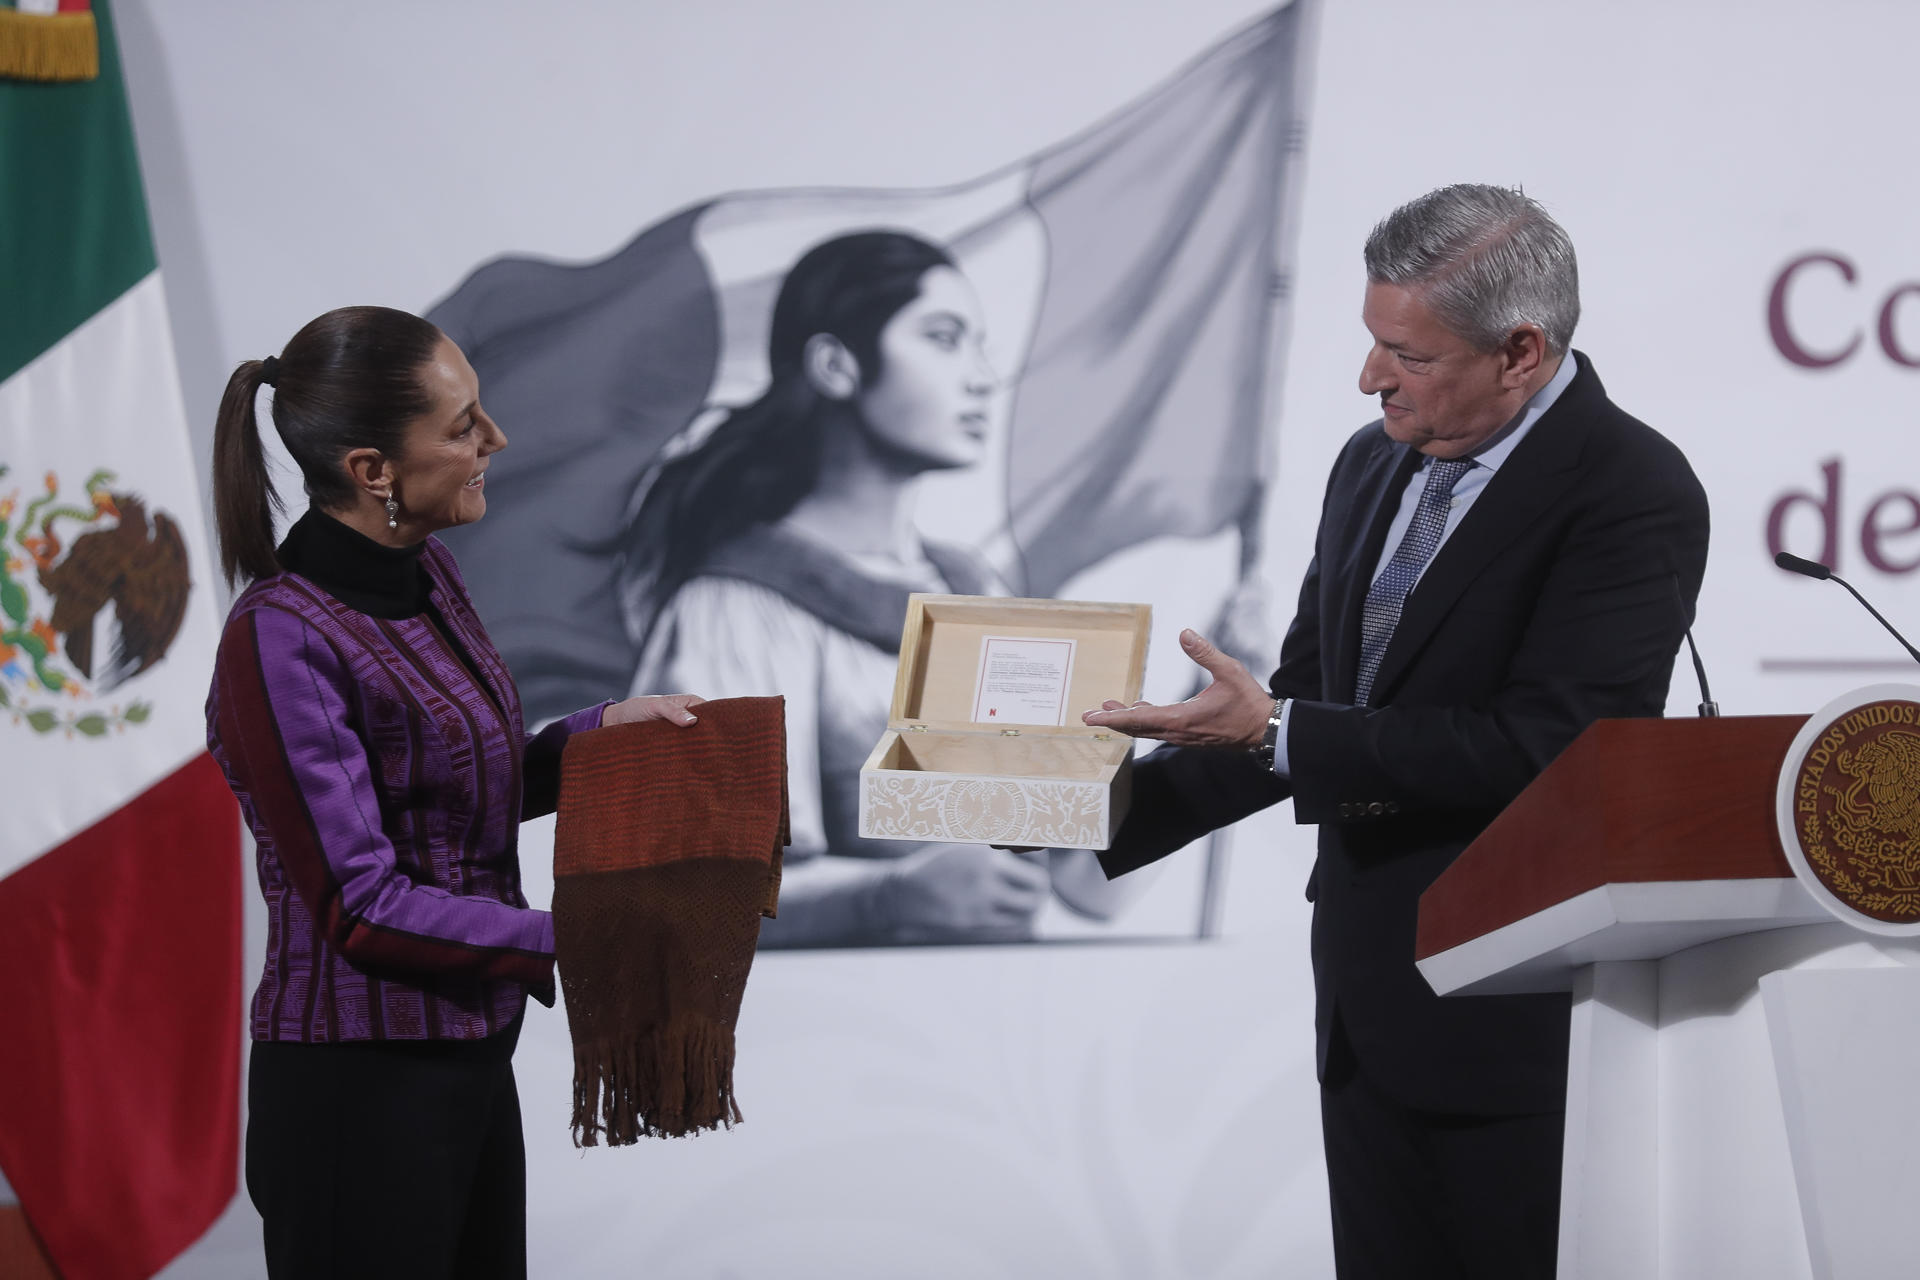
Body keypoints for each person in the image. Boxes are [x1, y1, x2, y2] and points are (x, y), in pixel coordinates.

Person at [1083, 186, 1710, 1278]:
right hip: (1369, 1005)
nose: (1369, 377)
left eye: (1405, 354)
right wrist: (1090, 808)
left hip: (1518, 1008)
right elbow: (1308, 704)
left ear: (1521, 350)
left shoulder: (1629, 488)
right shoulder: (1373, 461)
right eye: (1373, 340)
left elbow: (1547, 748)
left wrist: (1277, 728)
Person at [204, 306, 703, 1279]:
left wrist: (602, 736)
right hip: (357, 1086)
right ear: (372, 470)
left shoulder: (425, 570)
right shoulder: (278, 637)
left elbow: (453, 779)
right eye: (462, 423)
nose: (495, 440)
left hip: (467, 1059)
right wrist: (579, 933)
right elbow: (361, 901)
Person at [622, 230, 1132, 947]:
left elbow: (1083, 880)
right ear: (836, 365)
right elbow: (690, 890)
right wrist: (889, 897)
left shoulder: (975, 589)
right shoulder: (732, 609)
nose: (983, 377)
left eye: (978, 344)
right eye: (943, 338)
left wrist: (1217, 740)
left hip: (993, 1029)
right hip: (820, 1036)